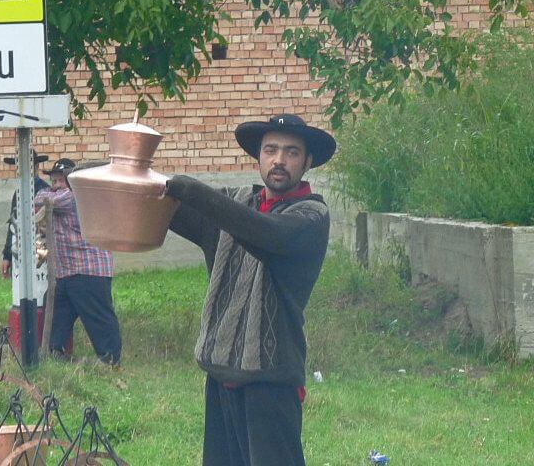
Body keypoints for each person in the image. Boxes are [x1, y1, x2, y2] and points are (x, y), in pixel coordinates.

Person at [163, 113, 336, 466]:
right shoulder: (239, 203)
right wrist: (116, 175)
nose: (279, 160)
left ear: (308, 161)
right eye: (270, 150)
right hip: (222, 371)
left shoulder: (311, 217)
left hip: (271, 380)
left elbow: (267, 232)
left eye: (291, 152)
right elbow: (167, 210)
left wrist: (192, 190)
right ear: (258, 157)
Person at [36, 158, 122, 365]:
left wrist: (49, 193)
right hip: (66, 271)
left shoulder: (74, 196)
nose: (56, 186)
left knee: (98, 317)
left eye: (60, 181)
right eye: (54, 182)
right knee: (57, 312)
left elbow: (41, 200)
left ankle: (110, 360)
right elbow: (41, 198)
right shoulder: (61, 194)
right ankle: (53, 352)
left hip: (88, 269)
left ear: (72, 181)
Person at [1, 151, 51, 278]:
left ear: (36, 167)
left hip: (41, 249)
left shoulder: (45, 191)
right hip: (20, 247)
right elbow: (13, 225)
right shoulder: (18, 193)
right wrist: (7, 255)